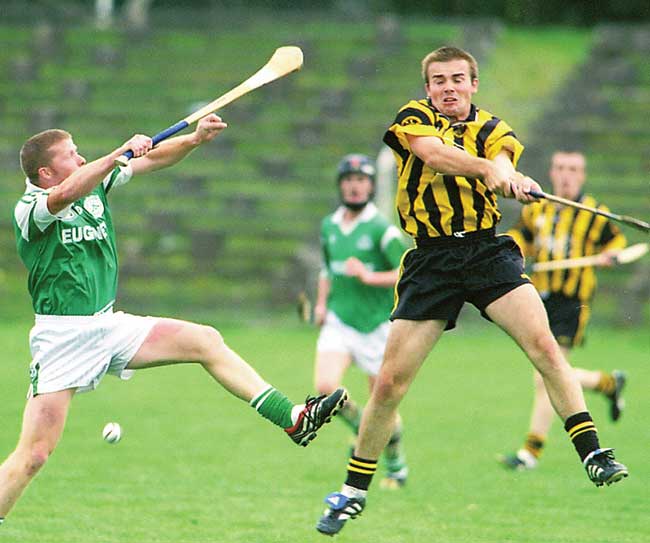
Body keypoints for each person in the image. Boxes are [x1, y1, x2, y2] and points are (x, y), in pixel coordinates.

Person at [315, 46, 628, 536]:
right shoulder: (414, 118)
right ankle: (353, 491)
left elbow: (500, 157)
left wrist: (510, 176)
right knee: (390, 383)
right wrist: (489, 171)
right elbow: (435, 156)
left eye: (457, 79)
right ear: (428, 88)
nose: (448, 87)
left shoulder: (493, 129)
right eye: (439, 80)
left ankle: (593, 453)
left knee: (546, 348)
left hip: (486, 253)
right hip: (432, 260)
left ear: (473, 84)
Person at [0, 115, 347, 526]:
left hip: (108, 326)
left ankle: (292, 419)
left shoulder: (95, 185)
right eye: (70, 155)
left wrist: (195, 139)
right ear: (45, 172)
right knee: (34, 455)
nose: (80, 159)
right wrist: (117, 154)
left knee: (205, 340)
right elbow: (66, 194)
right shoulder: (32, 209)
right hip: (63, 339)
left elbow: (154, 158)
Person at [499, 150, 627, 470]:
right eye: (560, 168)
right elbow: (520, 237)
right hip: (540, 297)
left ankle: (531, 452)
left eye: (572, 169)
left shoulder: (593, 212)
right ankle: (606, 383)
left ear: (582, 175)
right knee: (550, 371)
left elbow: (617, 243)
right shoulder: (537, 206)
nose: (566, 175)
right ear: (552, 172)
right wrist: (516, 252)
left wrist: (610, 256)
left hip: (572, 300)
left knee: (546, 374)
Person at [314, 154, 409, 489]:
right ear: (340, 186)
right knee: (325, 388)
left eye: (361, 181)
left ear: (370, 186)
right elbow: (327, 269)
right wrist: (321, 305)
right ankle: (361, 429)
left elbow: (405, 271)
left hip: (376, 325)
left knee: (381, 406)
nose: (354, 187)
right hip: (339, 320)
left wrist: (369, 277)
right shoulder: (329, 225)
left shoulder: (383, 230)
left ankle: (395, 464)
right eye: (348, 181)